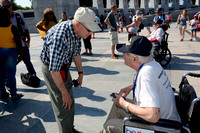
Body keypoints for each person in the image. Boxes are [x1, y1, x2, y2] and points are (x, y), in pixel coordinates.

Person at [100, 36, 181, 133]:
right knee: (117, 106)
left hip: (161, 127)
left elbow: (153, 116)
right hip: (168, 119)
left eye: (126, 53)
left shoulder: (145, 75)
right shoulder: (154, 64)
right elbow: (154, 84)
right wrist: (133, 87)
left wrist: (124, 104)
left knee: (110, 126)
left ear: (134, 59)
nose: (123, 55)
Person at [40, 7, 101, 133]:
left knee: (70, 102)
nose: (91, 33)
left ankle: (69, 129)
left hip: (62, 67)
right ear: (78, 24)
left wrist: (80, 73)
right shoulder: (60, 37)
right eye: (89, 30)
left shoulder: (77, 31)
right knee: (63, 104)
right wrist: (63, 92)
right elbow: (54, 70)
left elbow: (76, 54)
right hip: (52, 69)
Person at [2, 0, 40, 81]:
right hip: (11, 48)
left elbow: (26, 29)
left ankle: (34, 77)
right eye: (4, 7)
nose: (7, 8)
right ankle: (8, 84)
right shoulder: (2, 19)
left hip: (22, 45)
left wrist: (28, 40)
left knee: (28, 62)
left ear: (11, 6)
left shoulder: (18, 16)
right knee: (10, 67)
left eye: (8, 6)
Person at [0, 6, 23, 100]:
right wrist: (21, 54)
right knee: (10, 75)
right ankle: (14, 94)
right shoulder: (12, 28)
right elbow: (18, 43)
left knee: (0, 75)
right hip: (10, 53)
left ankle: (2, 93)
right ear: (8, 16)